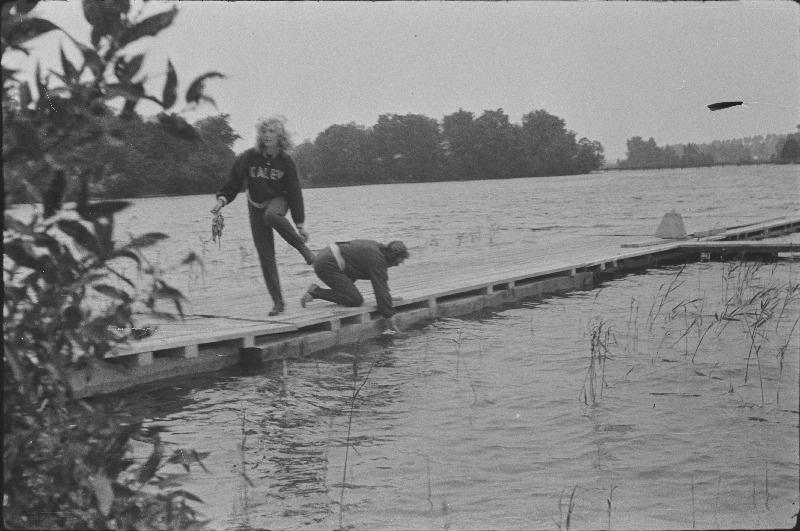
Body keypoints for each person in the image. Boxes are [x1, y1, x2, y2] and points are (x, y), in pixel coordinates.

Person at [211, 115, 314, 316]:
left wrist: (300, 224)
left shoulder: (286, 161)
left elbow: (295, 193)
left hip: (278, 201)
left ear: (280, 136)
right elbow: (233, 182)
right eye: (264, 131)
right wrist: (221, 200)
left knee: (272, 216)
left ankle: (305, 251)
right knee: (265, 255)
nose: (267, 135)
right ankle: (278, 302)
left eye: (272, 131)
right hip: (255, 205)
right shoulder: (249, 157)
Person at [300, 240, 409, 332]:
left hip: (330, 257)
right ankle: (315, 292)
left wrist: (387, 298)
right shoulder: (377, 260)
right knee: (355, 300)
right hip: (327, 264)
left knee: (349, 294)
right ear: (392, 256)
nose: (398, 264)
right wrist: (389, 317)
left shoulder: (379, 252)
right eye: (398, 262)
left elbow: (381, 283)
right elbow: (380, 289)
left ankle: (317, 292)